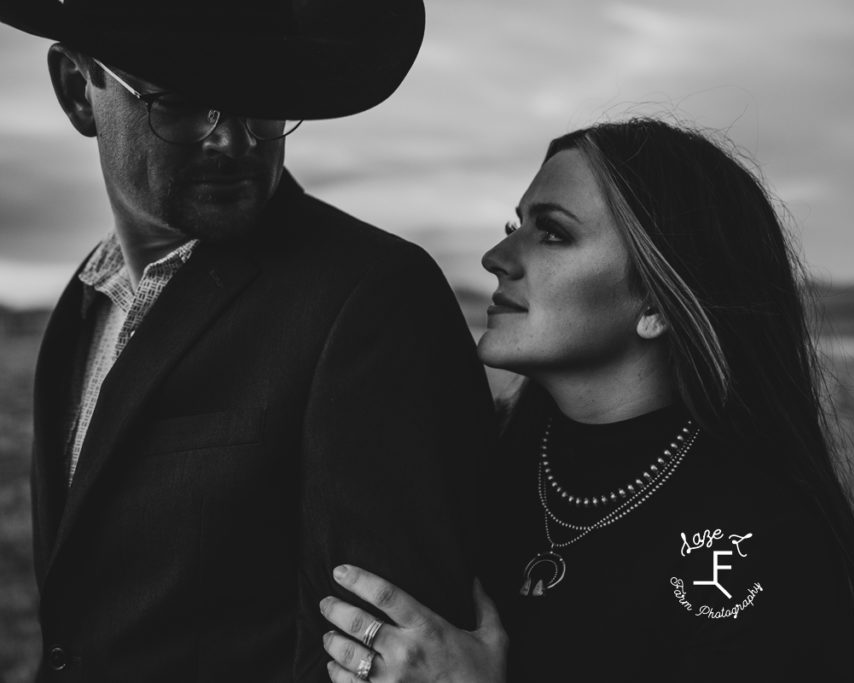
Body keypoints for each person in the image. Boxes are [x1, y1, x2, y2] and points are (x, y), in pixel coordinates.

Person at [1, 0, 496, 681]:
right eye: (180, 103)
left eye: (262, 104)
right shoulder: (81, 305)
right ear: (75, 90)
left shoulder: (373, 298)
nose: (234, 140)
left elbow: (385, 656)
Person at [319, 119, 854, 682]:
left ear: (656, 306)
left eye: (552, 233)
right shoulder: (478, 460)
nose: (497, 256)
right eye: (514, 225)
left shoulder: (758, 538)